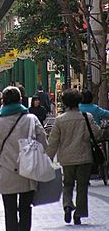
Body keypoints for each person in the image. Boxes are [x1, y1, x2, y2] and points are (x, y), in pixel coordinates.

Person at [0, 86, 47, 231]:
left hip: (6, 170)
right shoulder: (31, 119)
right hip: (27, 170)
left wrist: (5, 157)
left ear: (3, 102)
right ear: (21, 100)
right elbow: (43, 142)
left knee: (9, 210)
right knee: (26, 208)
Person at [47, 89, 102, 225]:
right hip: (84, 157)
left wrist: (48, 158)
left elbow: (53, 142)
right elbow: (97, 133)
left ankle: (67, 205)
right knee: (82, 186)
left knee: (67, 184)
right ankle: (79, 213)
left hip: (66, 158)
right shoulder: (86, 116)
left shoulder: (60, 120)